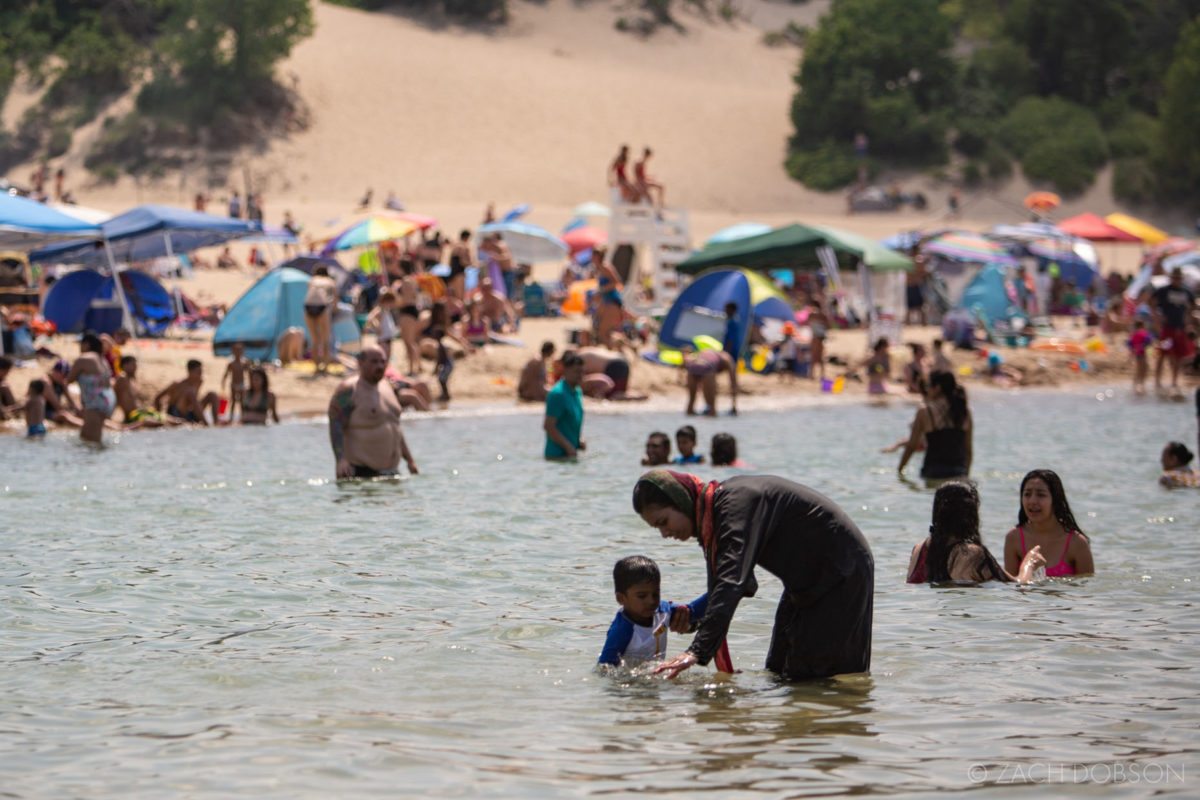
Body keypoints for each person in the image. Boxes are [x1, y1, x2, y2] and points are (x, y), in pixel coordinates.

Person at [631, 469, 874, 681]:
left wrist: (696, 651)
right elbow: (745, 582)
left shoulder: (734, 505)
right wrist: (694, 620)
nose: (664, 533)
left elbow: (732, 582)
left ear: (681, 501)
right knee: (779, 671)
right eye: (657, 527)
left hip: (842, 575)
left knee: (817, 679)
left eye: (664, 521)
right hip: (805, 583)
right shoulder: (716, 516)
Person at [906, 481, 1045, 584]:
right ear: (970, 514)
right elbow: (1018, 585)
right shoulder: (971, 553)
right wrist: (1030, 563)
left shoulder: (919, 548)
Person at [597, 556, 707, 667]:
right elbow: (605, 667)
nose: (651, 601)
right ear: (621, 598)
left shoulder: (663, 611)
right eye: (642, 596)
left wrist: (719, 588)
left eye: (656, 594)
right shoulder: (621, 631)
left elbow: (694, 612)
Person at [328, 345, 418, 478]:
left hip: (392, 473)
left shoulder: (387, 386)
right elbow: (335, 426)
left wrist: (410, 460)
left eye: (383, 361)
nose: (380, 366)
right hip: (361, 474)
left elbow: (395, 427)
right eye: (374, 362)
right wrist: (340, 460)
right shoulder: (348, 390)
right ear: (360, 363)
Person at [1003, 470, 1095, 577]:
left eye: (1041, 495)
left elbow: (1087, 590)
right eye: (1027, 494)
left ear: (1055, 500)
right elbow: (1010, 588)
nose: (1032, 501)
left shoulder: (1077, 543)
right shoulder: (1014, 537)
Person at [897, 370, 972, 479]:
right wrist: (966, 473)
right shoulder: (964, 411)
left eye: (928, 385)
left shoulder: (925, 411)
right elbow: (968, 450)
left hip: (933, 472)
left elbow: (911, 446)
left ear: (937, 388)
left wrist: (900, 471)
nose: (927, 389)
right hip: (959, 472)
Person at [1151, 268, 1196, 397]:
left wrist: (1188, 319)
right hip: (1167, 327)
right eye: (1175, 278)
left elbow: (1192, 305)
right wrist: (1156, 316)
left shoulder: (1186, 291)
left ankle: (1174, 382)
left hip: (1180, 328)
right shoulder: (1164, 290)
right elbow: (1151, 301)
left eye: (1178, 278)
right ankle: (1157, 381)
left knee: (1178, 356)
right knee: (1163, 354)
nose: (1176, 280)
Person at [66, 332, 116, 443]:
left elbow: (68, 380)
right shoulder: (102, 358)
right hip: (108, 399)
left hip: (96, 401)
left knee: (89, 440)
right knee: (90, 438)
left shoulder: (84, 358)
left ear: (86, 344)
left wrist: (72, 403)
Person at [544, 351, 585, 460]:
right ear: (565, 370)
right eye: (576, 372)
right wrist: (568, 446)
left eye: (582, 372)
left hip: (570, 455)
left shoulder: (577, 391)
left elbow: (574, 419)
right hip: (556, 457)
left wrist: (579, 439)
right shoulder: (557, 394)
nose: (580, 375)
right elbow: (549, 426)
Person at [154, 359, 220, 425]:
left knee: (212, 394)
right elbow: (158, 397)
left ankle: (216, 423)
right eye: (198, 372)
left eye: (201, 372)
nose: (200, 375)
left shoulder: (199, 382)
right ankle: (206, 424)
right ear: (190, 372)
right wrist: (159, 415)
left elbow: (194, 401)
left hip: (191, 413)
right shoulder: (177, 384)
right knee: (190, 393)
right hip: (176, 413)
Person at [113, 356, 173, 428]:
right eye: (133, 365)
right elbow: (115, 396)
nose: (135, 368)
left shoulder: (131, 381)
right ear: (125, 366)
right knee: (162, 423)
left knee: (171, 420)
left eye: (135, 365)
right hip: (133, 416)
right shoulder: (122, 378)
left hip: (141, 413)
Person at [304, 266, 339, 373]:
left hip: (308, 306)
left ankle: (316, 366)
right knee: (325, 340)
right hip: (322, 306)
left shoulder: (312, 280)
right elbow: (335, 299)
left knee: (314, 340)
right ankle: (325, 367)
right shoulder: (330, 281)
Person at [683, 349, 738, 416]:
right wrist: (734, 406)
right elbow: (733, 383)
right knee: (712, 409)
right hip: (707, 366)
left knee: (691, 404)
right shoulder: (727, 358)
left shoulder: (706, 351)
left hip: (692, 366)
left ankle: (691, 414)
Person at [365, 290, 398, 364]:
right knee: (383, 359)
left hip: (387, 340)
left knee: (386, 360)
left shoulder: (386, 311)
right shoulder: (380, 310)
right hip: (383, 340)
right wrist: (377, 327)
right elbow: (370, 318)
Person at [221, 342, 249, 422]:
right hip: (233, 384)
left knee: (242, 402)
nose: (238, 353)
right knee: (233, 401)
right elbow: (226, 375)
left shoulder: (244, 363)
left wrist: (250, 384)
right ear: (232, 352)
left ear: (242, 352)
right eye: (236, 351)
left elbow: (249, 374)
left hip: (242, 384)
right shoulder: (231, 364)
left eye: (239, 351)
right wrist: (223, 383)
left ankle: (243, 417)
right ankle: (231, 417)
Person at [1128, 319, 1153, 395]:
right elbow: (1149, 341)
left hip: (1137, 353)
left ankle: (1135, 384)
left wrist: (1130, 356)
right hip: (1143, 353)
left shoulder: (1134, 335)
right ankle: (1141, 384)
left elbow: (1130, 345)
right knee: (1144, 368)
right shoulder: (1144, 333)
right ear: (1143, 326)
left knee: (1138, 369)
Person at [905, 257, 928, 325]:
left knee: (918, 307)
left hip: (914, 286)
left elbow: (924, 274)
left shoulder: (910, 262)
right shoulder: (918, 261)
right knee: (912, 307)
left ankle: (922, 323)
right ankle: (910, 323)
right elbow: (924, 273)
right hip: (913, 286)